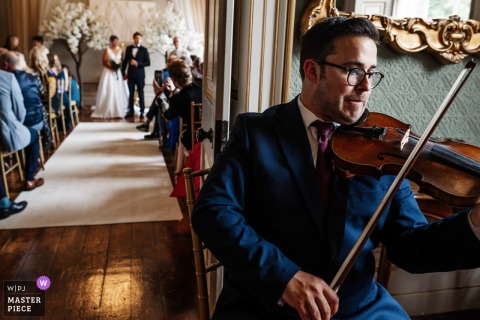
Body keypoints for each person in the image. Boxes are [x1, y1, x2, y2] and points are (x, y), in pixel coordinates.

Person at [190, 17, 480, 320]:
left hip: (359, 308)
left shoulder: (389, 149)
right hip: (267, 304)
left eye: (371, 73)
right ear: (312, 70)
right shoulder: (256, 132)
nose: (366, 86)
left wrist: (474, 225)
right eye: (354, 72)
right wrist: (284, 276)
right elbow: (213, 211)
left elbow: (411, 246)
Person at [0, 66, 44, 191]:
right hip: (6, 133)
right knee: (34, 135)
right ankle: (29, 179)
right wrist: (17, 125)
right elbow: (20, 112)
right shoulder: (7, 77)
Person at [158, 59, 201, 177]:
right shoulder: (200, 86)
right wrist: (175, 91)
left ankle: (179, 172)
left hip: (193, 138)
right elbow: (185, 94)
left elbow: (168, 116)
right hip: (205, 132)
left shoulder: (178, 98)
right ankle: (179, 171)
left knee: (182, 137)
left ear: (174, 79)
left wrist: (160, 96)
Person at [91, 35, 128, 118]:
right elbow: (104, 62)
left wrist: (118, 67)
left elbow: (122, 62)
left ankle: (118, 109)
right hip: (109, 72)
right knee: (109, 89)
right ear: (111, 42)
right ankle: (107, 108)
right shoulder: (107, 50)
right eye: (115, 41)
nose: (116, 43)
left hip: (117, 72)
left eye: (117, 41)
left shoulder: (120, 50)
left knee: (117, 90)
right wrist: (111, 68)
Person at [121, 32, 150, 118]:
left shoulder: (144, 50)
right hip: (130, 74)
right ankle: (131, 111)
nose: (138, 40)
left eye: (139, 38)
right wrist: (123, 73)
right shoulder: (129, 48)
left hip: (140, 75)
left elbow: (148, 62)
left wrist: (138, 63)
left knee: (141, 92)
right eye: (136, 38)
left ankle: (142, 111)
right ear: (134, 38)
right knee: (131, 93)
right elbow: (125, 61)